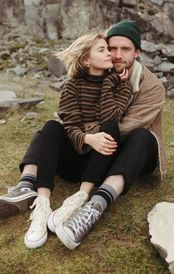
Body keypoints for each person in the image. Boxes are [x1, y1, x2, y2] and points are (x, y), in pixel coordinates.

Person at [0, 30, 133, 249]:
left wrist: (109, 84)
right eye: (102, 49)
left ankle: (80, 198)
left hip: (97, 165)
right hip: (73, 159)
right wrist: (89, 138)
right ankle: (42, 206)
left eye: (108, 49)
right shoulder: (72, 86)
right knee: (51, 127)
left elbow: (111, 117)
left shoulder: (122, 86)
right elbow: (70, 126)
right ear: (86, 59)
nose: (110, 53)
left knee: (110, 126)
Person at [55, 19, 167, 250]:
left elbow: (125, 128)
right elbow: (72, 112)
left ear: (137, 52)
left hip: (133, 150)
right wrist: (84, 136)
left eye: (125, 49)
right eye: (111, 48)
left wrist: (87, 134)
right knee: (52, 128)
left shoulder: (152, 86)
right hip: (100, 149)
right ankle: (31, 192)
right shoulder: (96, 73)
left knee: (142, 136)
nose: (116, 55)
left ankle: (96, 205)